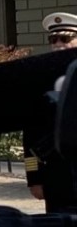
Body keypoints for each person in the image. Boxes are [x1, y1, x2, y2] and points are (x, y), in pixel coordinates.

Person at [25, 12, 77, 213]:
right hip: (56, 176)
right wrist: (34, 178)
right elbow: (30, 134)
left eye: (65, 39)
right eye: (53, 39)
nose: (58, 44)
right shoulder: (41, 80)